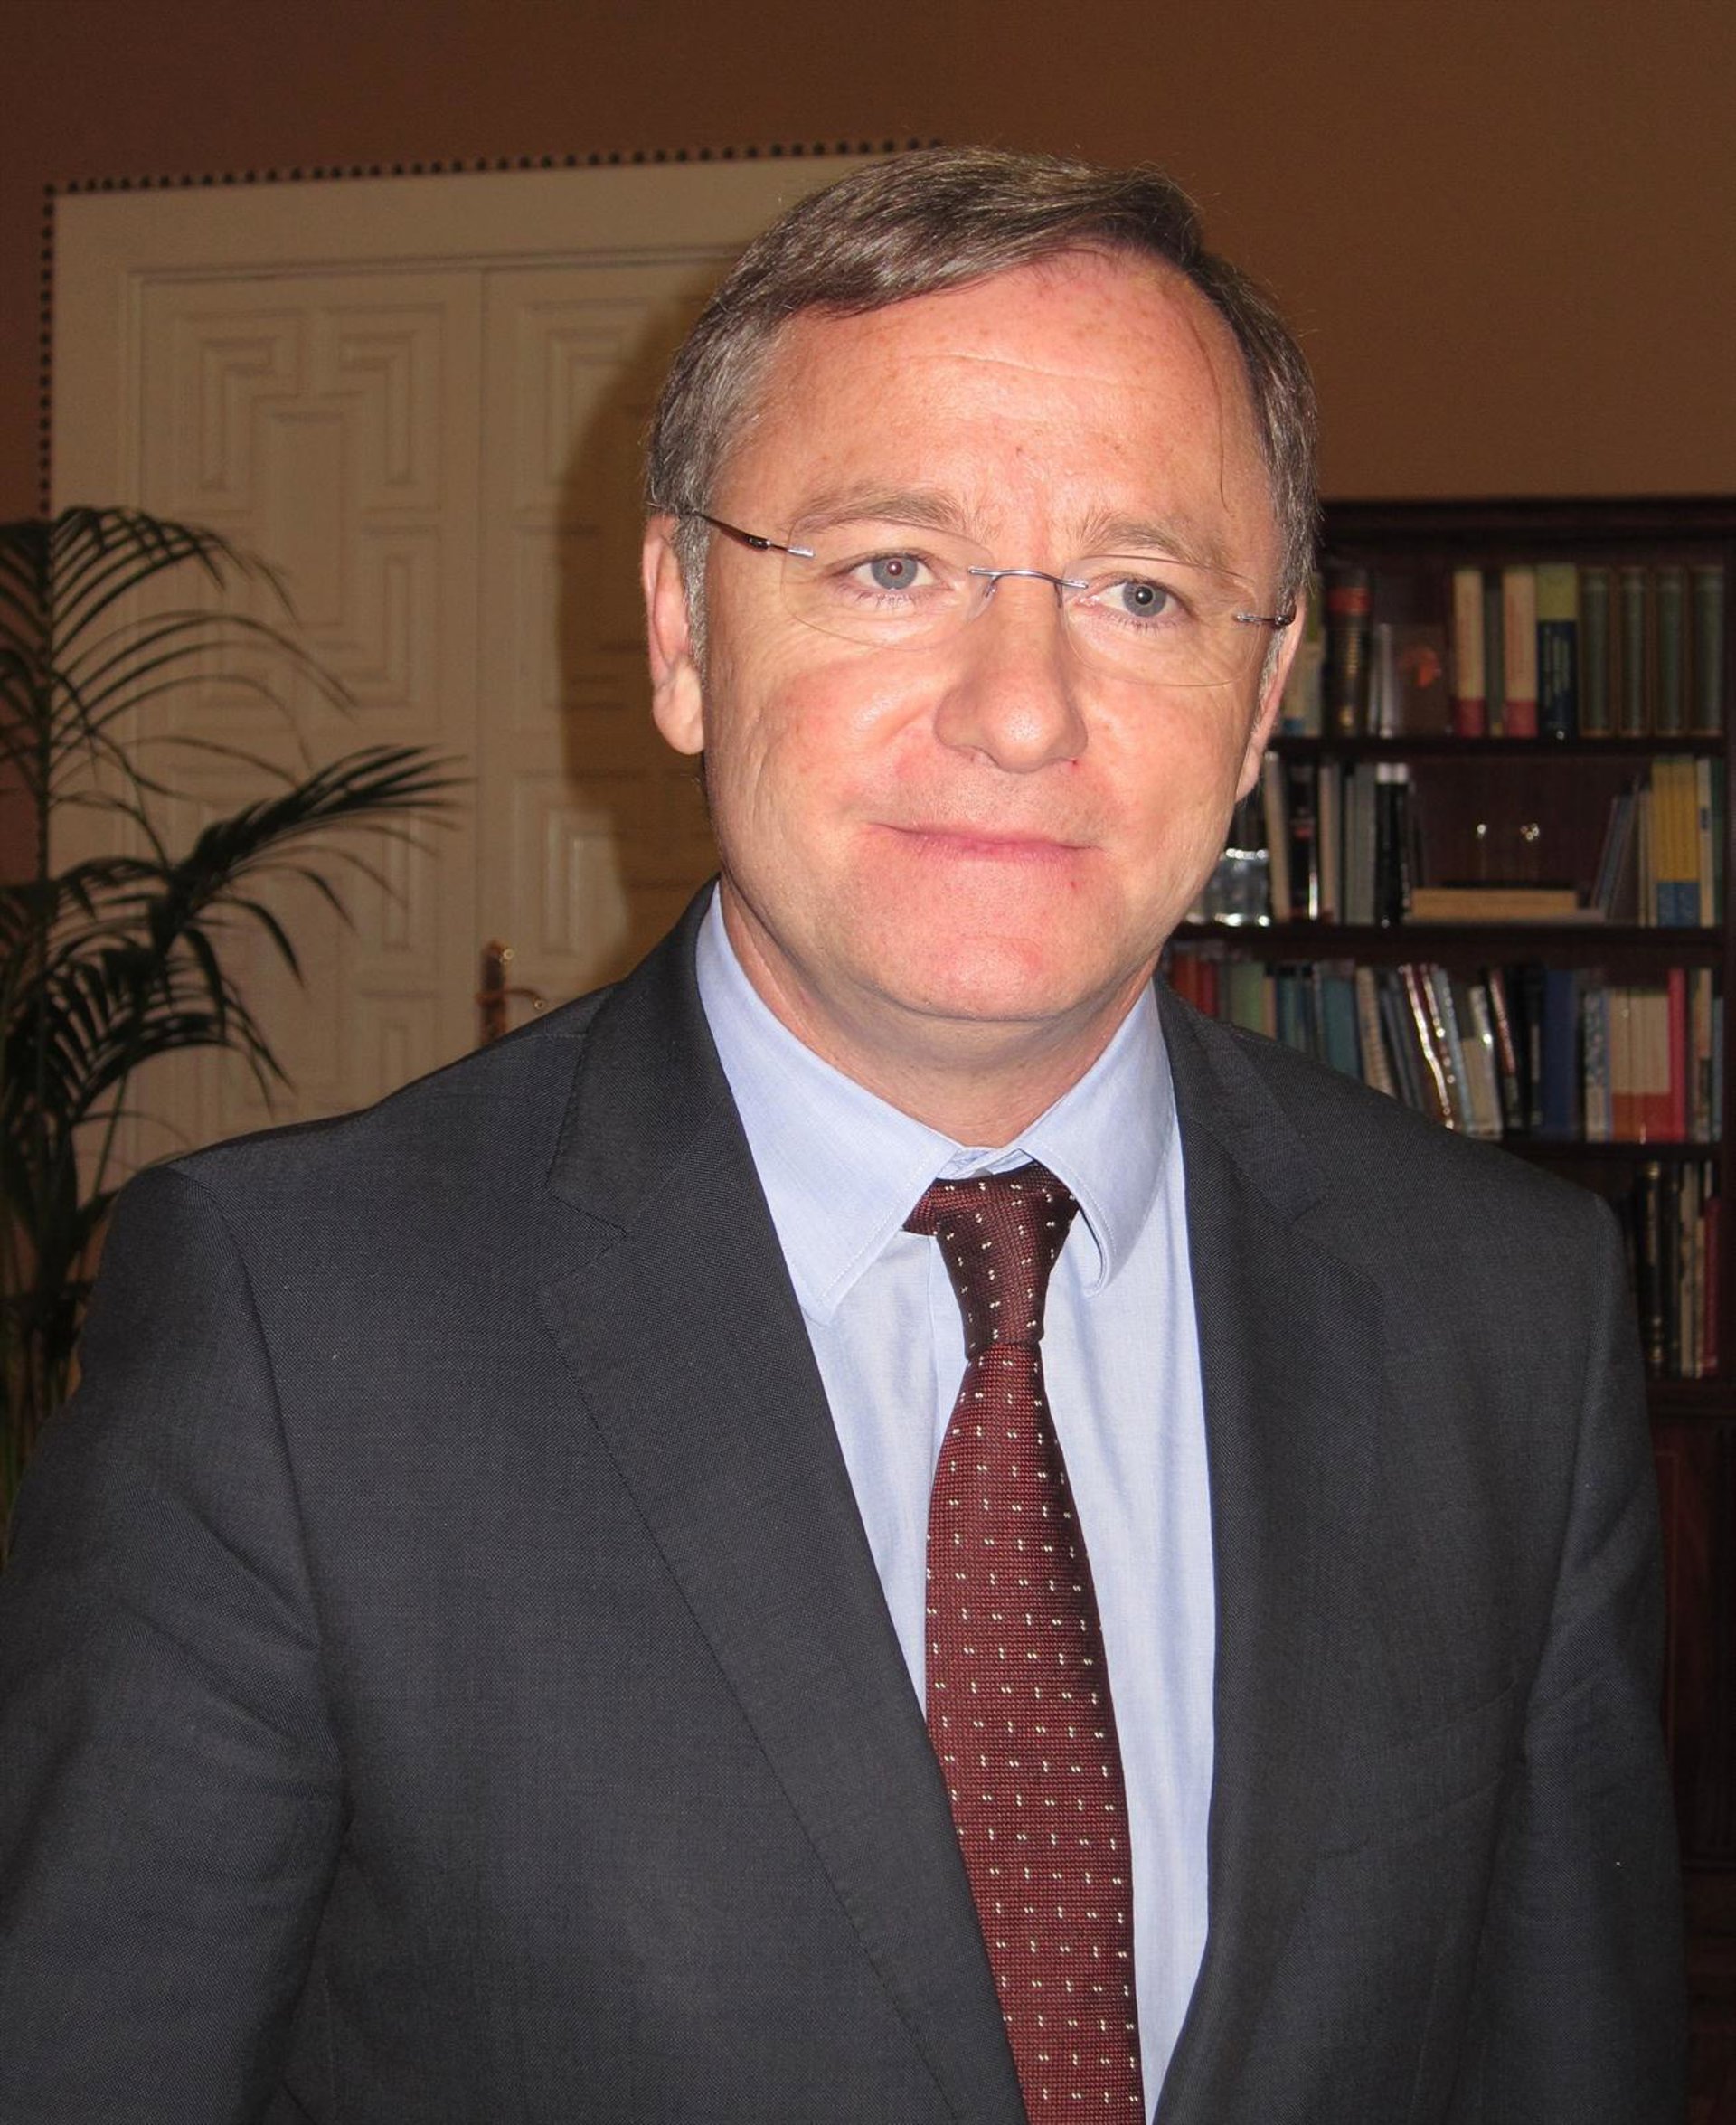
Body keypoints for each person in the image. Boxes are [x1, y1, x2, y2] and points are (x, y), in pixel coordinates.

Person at [0, 148, 1684, 2124]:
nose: (1021, 710)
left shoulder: (1509, 1315)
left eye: (1141, 591)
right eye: (893, 564)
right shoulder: (293, 1339)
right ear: (684, 629)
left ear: (1259, 702)